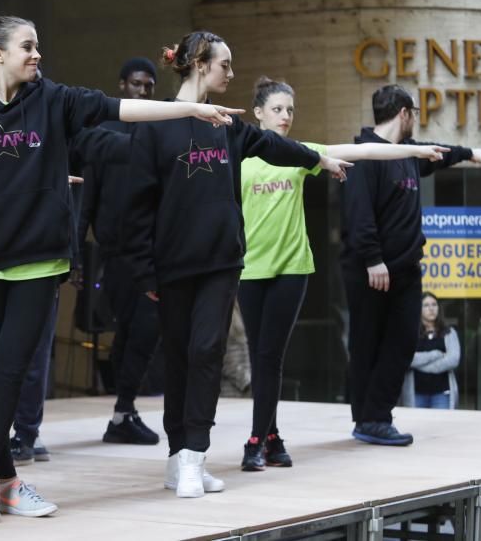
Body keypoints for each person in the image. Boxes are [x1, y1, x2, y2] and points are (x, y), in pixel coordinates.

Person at [0, 16, 241, 522]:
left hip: (38, 259)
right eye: (28, 46)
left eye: (39, 46)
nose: (37, 55)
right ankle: (6, 482)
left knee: (9, 369)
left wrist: (190, 109)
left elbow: (122, 108)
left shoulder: (54, 99)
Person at [122, 31, 352, 499]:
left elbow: (272, 146)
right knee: (180, 357)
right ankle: (176, 455)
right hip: (171, 264)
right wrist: (144, 270)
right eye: (225, 64)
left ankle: (195, 456)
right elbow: (137, 205)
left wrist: (320, 158)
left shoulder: (225, 124)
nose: (231, 72)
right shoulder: (156, 125)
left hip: (221, 262)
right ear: (200, 64)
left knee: (208, 352)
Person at [237, 77, 449, 471]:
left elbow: (364, 149)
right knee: (260, 354)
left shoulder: (300, 153)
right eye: (278, 109)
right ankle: (271, 434)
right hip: (250, 270)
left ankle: (256, 440)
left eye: (291, 110)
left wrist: (416, 149)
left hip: (292, 268)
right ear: (259, 113)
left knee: (271, 356)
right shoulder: (240, 154)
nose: (286, 116)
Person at [341, 84, 481, 448]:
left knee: (403, 341)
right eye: (414, 115)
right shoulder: (366, 154)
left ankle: (374, 415)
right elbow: (358, 214)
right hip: (372, 270)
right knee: (367, 343)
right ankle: (370, 418)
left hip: (404, 269)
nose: (414, 122)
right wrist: (373, 259)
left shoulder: (407, 154)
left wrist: (471, 152)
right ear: (404, 113)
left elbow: (439, 153)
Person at [76, 58, 164, 446]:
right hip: (114, 253)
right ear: (122, 85)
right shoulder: (103, 132)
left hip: (152, 254)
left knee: (144, 331)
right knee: (127, 332)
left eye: (148, 85)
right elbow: (87, 199)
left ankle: (124, 410)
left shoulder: (160, 132)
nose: (142, 91)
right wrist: (75, 255)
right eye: (135, 84)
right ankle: (122, 413)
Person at [401, 293, 459, 409]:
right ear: (419, 309)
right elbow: (406, 359)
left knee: (442, 426)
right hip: (416, 394)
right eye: (426, 305)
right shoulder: (410, 333)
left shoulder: (449, 332)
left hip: (442, 393)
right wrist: (436, 355)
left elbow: (453, 360)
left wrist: (419, 364)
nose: (431, 308)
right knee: (417, 426)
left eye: (434, 304)